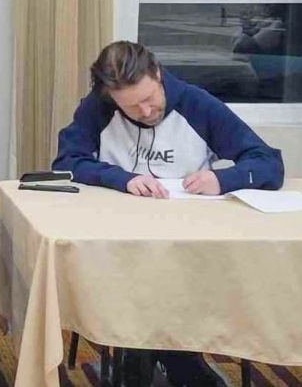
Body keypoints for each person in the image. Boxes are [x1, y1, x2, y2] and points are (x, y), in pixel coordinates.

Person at [54, 40, 284, 386]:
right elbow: (66, 162)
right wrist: (123, 179)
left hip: (189, 248)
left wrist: (221, 179)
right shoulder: (97, 108)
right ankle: (164, 359)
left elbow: (267, 163)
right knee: (127, 272)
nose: (145, 112)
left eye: (149, 99)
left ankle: (149, 356)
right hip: (115, 243)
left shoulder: (197, 103)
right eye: (131, 108)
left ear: (158, 75)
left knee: (161, 276)